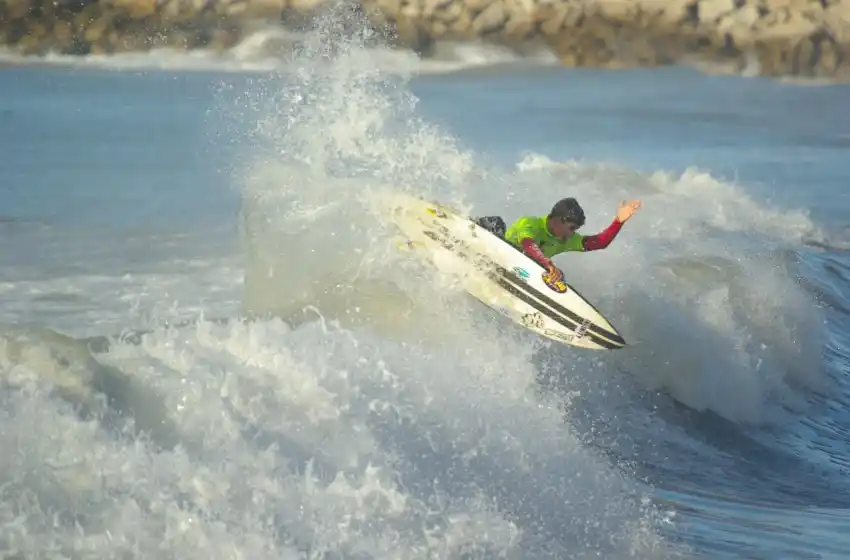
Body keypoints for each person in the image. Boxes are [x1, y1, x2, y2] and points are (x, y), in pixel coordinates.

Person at [474, 197, 642, 285]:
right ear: (558, 220)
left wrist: (618, 221)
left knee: (558, 278)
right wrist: (548, 264)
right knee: (496, 223)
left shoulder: (566, 239)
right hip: (494, 256)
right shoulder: (531, 223)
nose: (572, 234)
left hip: (520, 272)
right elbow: (528, 244)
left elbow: (599, 242)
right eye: (571, 228)